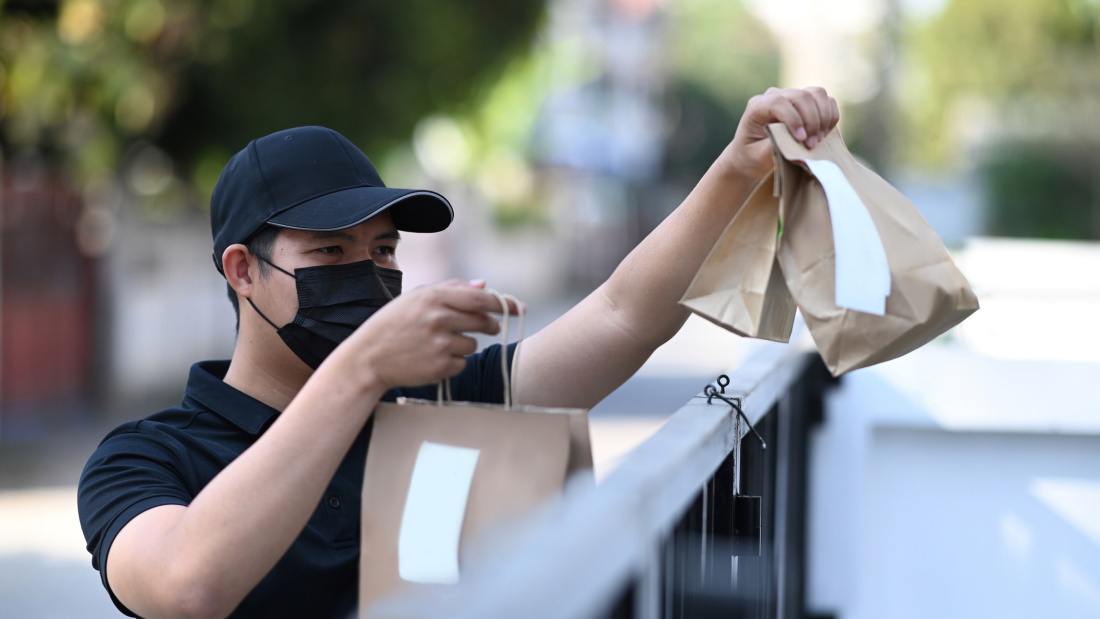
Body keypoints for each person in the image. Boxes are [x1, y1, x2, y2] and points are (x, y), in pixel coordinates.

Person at [78, 86, 838, 619]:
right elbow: (187, 588)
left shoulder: (441, 402)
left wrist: (738, 167)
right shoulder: (143, 459)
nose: (366, 272)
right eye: (330, 249)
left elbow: (622, 314)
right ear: (243, 269)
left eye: (381, 249)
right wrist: (362, 368)